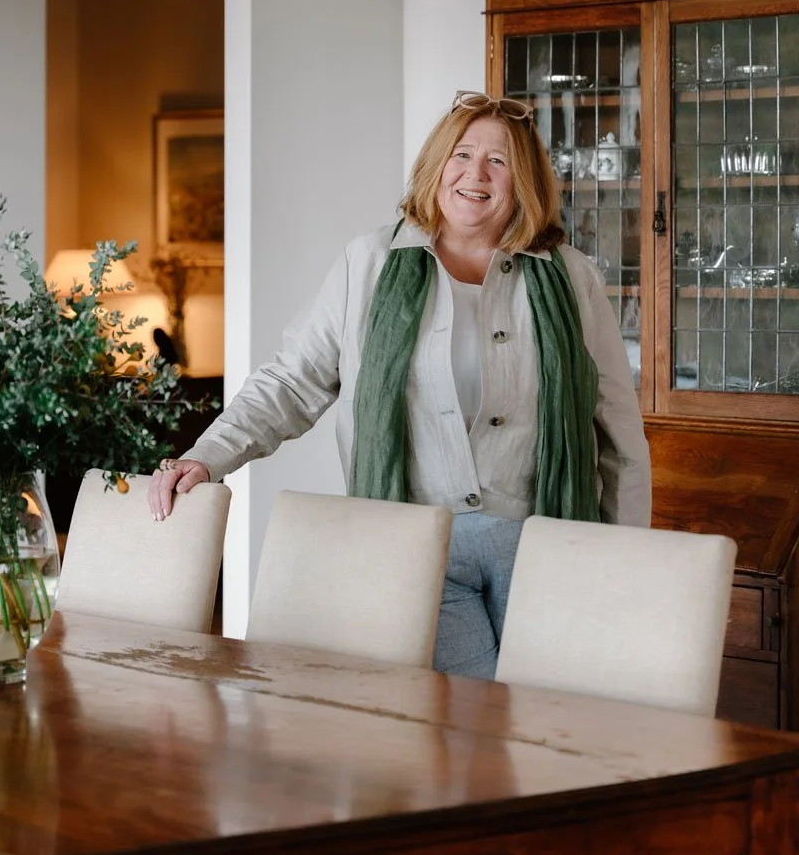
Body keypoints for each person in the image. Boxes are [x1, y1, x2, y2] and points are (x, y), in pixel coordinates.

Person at [148, 90, 651, 678]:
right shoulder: (368, 263)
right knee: (470, 729)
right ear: (437, 165)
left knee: (548, 725)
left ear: (526, 181)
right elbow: (291, 381)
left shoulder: (571, 278)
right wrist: (208, 456)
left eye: (500, 161)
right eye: (462, 154)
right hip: (413, 547)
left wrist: (629, 560)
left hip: (546, 547)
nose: (476, 175)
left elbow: (615, 429)